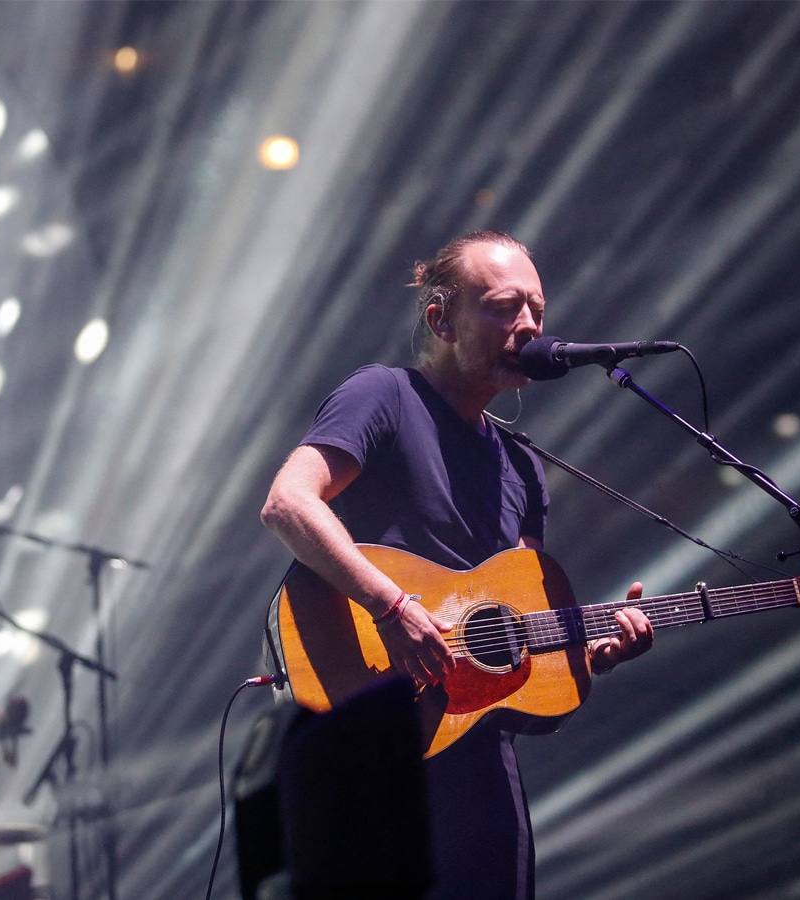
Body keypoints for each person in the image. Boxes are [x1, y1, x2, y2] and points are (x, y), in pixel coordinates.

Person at [261, 230, 655, 899]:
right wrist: (391, 605)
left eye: (537, 309)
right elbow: (288, 503)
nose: (528, 325)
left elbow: (518, 644)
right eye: (504, 307)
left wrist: (592, 653)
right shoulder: (384, 396)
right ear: (440, 317)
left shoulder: (524, 469)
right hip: (368, 732)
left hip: (476, 756)